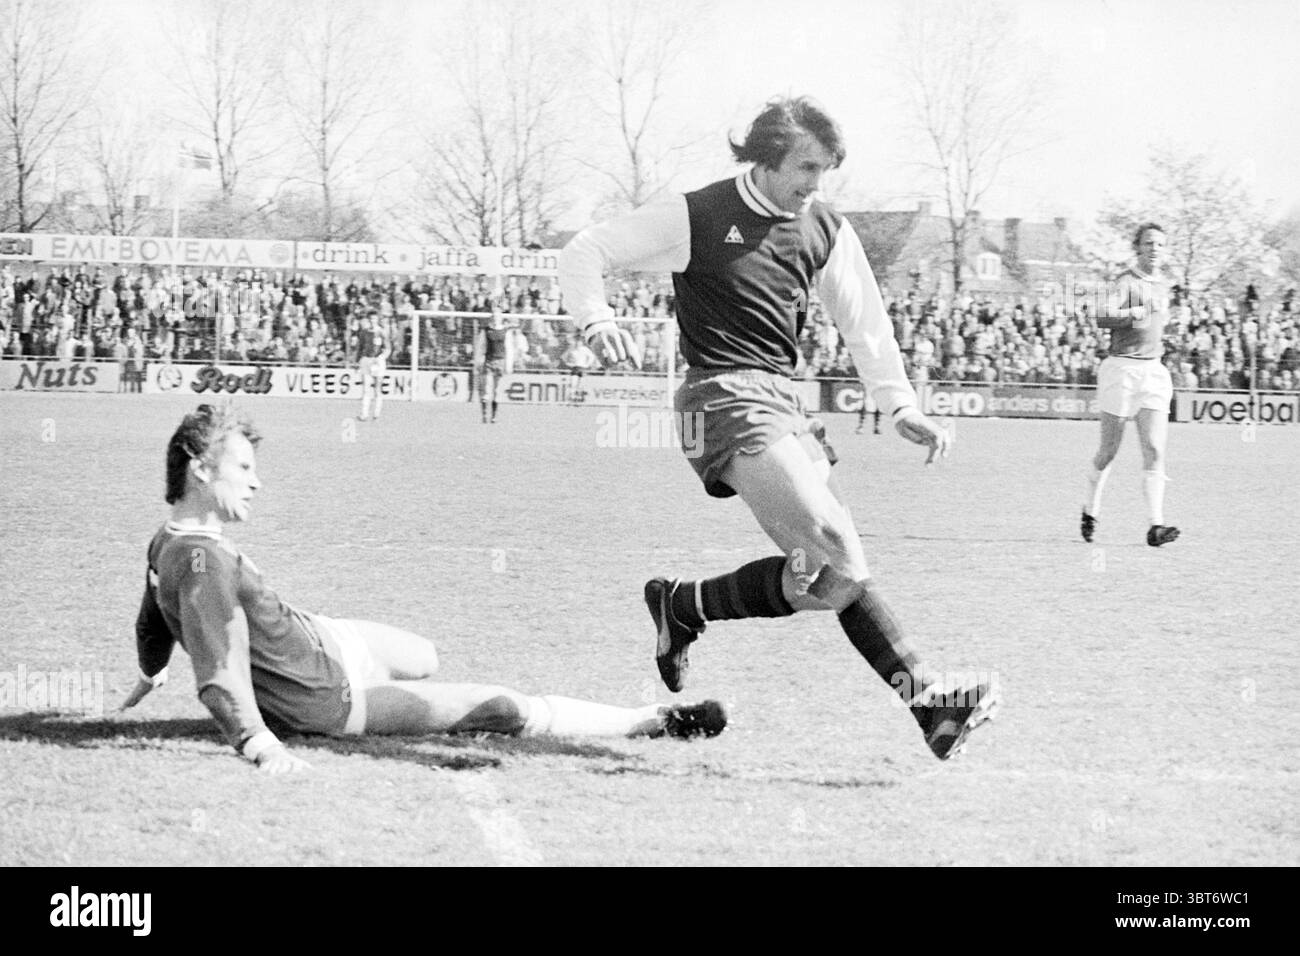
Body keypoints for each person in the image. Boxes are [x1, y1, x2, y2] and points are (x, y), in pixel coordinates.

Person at [559, 95, 997, 761]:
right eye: (806, 167)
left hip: (784, 401)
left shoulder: (823, 226)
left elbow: (864, 320)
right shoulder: (698, 214)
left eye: (825, 171)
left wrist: (900, 403)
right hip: (720, 396)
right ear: (765, 160)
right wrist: (597, 321)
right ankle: (929, 700)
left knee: (824, 580)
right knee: (834, 544)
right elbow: (587, 250)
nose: (815, 184)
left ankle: (685, 605)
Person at [122, 405, 726, 773]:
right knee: (501, 707)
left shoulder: (170, 540)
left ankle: (383, 691)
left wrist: (150, 674)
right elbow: (218, 672)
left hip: (326, 638)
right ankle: (652, 720)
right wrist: (259, 744)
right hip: (327, 697)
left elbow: (152, 618)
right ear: (200, 470)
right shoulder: (200, 563)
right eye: (244, 470)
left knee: (424, 656)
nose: (257, 484)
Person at [1082, 223, 1180, 547]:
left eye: (1161, 244)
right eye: (1149, 243)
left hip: (1153, 371)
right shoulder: (1126, 282)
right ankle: (1090, 509)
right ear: (1137, 247)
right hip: (1121, 369)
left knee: (1155, 448)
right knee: (1109, 451)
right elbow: (1101, 315)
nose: (1155, 248)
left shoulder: (1164, 286)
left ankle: (1156, 526)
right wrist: (1134, 311)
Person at [473, 304, 514, 423]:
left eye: (498, 315)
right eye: (494, 315)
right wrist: (477, 362)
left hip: (500, 362)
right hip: (489, 361)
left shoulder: (506, 331)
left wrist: (509, 364)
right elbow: (480, 347)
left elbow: (509, 348)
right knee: (486, 389)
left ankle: (494, 416)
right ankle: (484, 415)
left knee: (497, 390)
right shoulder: (486, 331)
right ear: (492, 317)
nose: (496, 317)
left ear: (501, 317)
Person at [354, 311, 389, 421]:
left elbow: (388, 348)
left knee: (377, 388)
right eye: (371, 319)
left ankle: (376, 414)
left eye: (374, 319)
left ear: (377, 320)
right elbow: (360, 348)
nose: (372, 321)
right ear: (368, 320)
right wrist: (357, 362)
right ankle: (364, 414)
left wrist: (381, 357)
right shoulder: (364, 332)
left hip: (378, 362)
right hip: (366, 361)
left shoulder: (382, 332)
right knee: (366, 388)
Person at [560, 333, 598, 404]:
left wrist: (587, 364)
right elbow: (563, 356)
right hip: (575, 368)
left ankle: (579, 400)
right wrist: (568, 363)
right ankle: (572, 399)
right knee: (573, 384)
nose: (578, 344)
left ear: (581, 343)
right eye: (577, 342)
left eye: (579, 342)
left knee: (580, 385)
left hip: (583, 368)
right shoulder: (572, 349)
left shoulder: (585, 349)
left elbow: (592, 357)